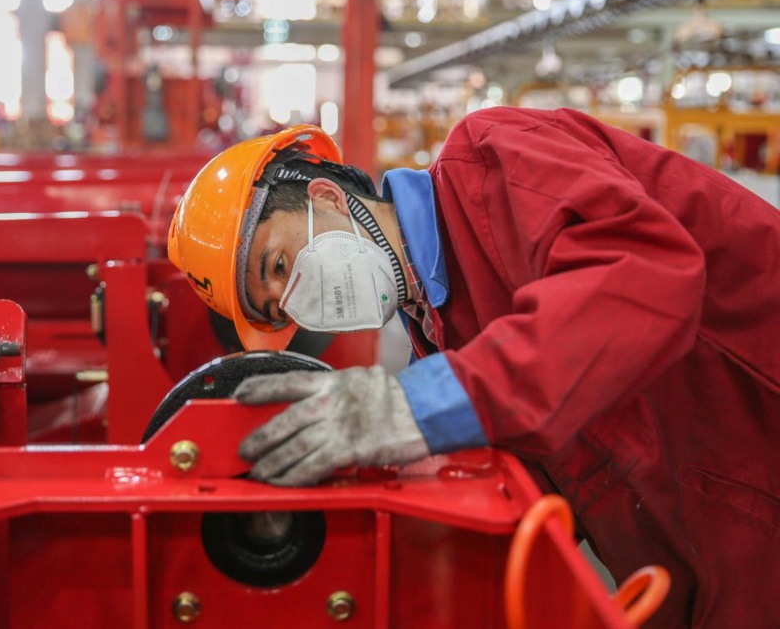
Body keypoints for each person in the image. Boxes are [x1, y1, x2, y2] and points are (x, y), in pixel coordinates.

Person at [166, 107, 780, 628]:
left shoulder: (492, 159)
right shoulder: (441, 336)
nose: (298, 297)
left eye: (278, 265)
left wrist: (418, 406)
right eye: (279, 305)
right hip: (725, 573)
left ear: (325, 197)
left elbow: (643, 277)